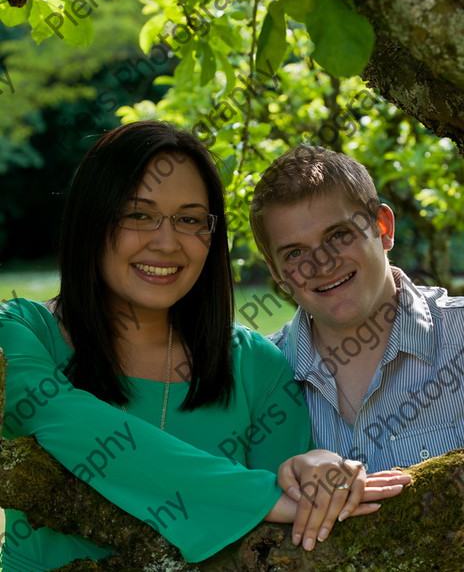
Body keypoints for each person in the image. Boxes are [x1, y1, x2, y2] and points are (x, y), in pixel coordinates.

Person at [0, 123, 409, 570]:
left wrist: (315, 469)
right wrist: (258, 497)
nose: (167, 242)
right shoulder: (21, 332)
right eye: (138, 214)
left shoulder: (256, 367)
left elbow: (285, 549)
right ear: (91, 220)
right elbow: (62, 419)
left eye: (190, 220)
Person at [250, 143, 464, 474]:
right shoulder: (254, 382)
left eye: (338, 235)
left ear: (383, 227)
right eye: (295, 253)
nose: (322, 264)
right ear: (277, 273)